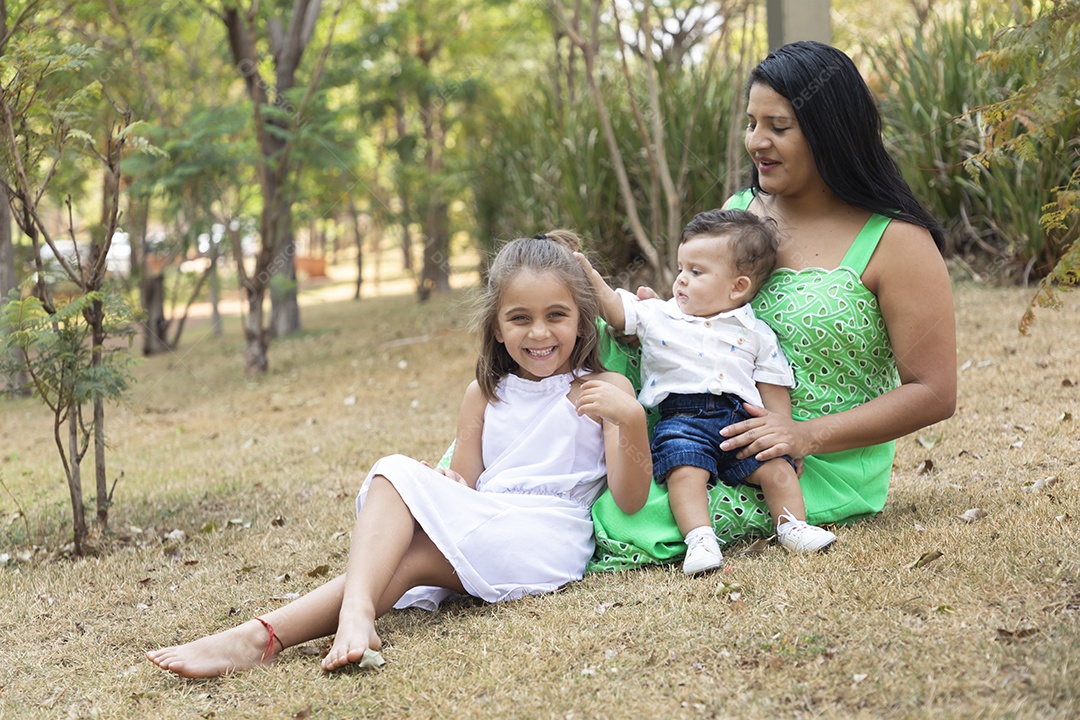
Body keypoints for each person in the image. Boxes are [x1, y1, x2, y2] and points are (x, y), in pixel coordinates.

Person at [147, 232, 652, 677]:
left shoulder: (606, 387)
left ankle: (276, 632)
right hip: (486, 514)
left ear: (582, 321)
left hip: (544, 535)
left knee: (412, 553)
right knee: (395, 483)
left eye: (556, 316)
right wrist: (450, 485)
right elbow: (467, 481)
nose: (539, 333)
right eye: (520, 319)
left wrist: (629, 418)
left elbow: (629, 500)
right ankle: (302, 627)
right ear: (497, 327)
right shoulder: (485, 394)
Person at [587, 40, 957, 573]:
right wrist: (667, 317)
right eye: (751, 123)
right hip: (702, 423)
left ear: (830, 130)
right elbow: (712, 314)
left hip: (812, 461)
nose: (756, 142)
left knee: (626, 521)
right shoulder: (740, 214)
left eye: (778, 127)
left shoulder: (898, 241)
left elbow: (935, 392)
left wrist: (804, 433)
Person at [577, 209, 836, 576]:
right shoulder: (659, 315)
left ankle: (791, 525)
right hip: (682, 419)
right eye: (681, 269)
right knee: (685, 470)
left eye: (696, 273)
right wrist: (590, 276)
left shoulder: (757, 332)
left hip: (741, 421)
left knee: (776, 470)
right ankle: (700, 538)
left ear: (738, 286)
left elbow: (773, 385)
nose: (681, 280)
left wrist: (783, 433)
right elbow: (617, 311)